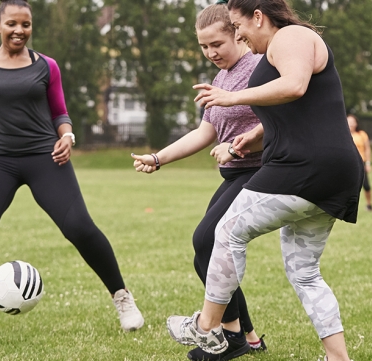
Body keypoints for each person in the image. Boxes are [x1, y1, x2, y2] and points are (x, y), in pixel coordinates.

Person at [0, 0, 143, 340]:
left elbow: (60, 112)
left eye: (25, 24)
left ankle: (122, 298)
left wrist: (66, 136)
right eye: (12, 23)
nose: (19, 30)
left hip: (45, 157)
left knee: (80, 227)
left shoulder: (47, 66)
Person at [165, 1, 364, 360]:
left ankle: (207, 326)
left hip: (304, 167)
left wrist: (231, 98)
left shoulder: (291, 36)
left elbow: (295, 86)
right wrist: (252, 139)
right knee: (304, 271)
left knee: (226, 232)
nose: (237, 33)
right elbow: (295, 109)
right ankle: (338, 357)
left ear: (258, 16)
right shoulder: (279, 49)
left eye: (239, 25)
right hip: (330, 171)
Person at [132, 2, 266, 360]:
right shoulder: (220, 79)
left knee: (206, 241)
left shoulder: (257, 67)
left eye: (216, 45)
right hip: (234, 174)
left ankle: (232, 337)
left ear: (237, 33)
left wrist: (237, 148)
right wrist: (158, 158)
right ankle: (247, 336)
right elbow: (203, 132)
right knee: (207, 253)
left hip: (259, 170)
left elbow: (277, 121)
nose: (210, 53)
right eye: (203, 47)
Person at [347, 114, 372, 211]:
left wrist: (368, 163)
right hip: (348, 164)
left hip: (360, 163)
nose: (351, 124)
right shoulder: (343, 134)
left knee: (366, 185)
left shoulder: (362, 134)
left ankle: (369, 204)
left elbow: (367, 149)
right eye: (349, 122)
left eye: (353, 122)